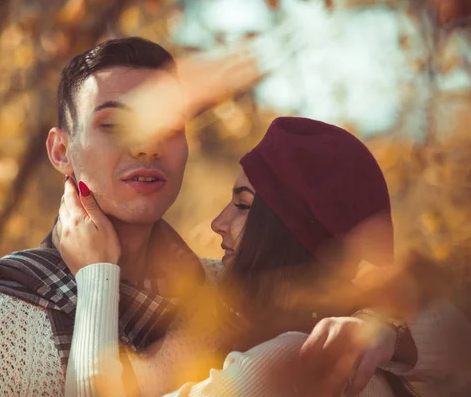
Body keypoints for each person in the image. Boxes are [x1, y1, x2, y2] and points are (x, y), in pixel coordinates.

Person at [0, 37, 469, 397]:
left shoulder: (229, 293)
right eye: (113, 124)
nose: (146, 147)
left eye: (165, 126)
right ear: (60, 151)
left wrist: (385, 336)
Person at [56, 117, 471, 396]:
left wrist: (95, 270)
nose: (218, 223)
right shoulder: (348, 346)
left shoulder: (292, 359)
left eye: (242, 205)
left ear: (288, 234)